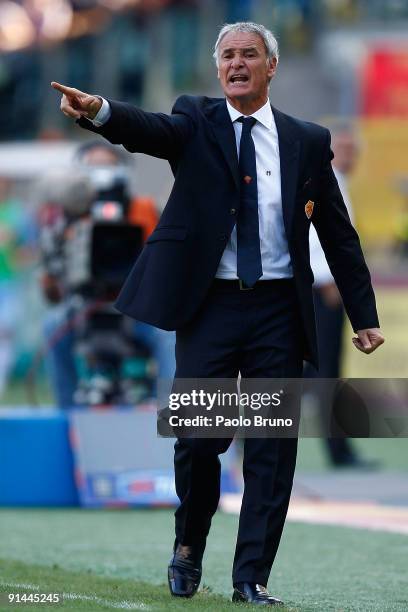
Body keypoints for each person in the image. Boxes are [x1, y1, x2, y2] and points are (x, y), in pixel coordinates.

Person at [52, 21, 384, 605]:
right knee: (202, 437)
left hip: (280, 309)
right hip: (211, 308)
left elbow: (338, 232)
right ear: (218, 68)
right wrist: (101, 111)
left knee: (270, 447)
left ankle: (250, 578)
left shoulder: (307, 139)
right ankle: (189, 544)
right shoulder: (197, 121)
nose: (236, 64)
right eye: (227, 55)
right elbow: (149, 130)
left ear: (271, 66)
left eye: (248, 55)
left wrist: (363, 314)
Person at [306, 120, 379, 468]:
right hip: (321, 292)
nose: (349, 155)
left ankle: (340, 450)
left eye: (353, 148)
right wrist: (328, 281)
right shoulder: (324, 183)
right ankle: (339, 451)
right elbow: (316, 241)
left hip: (324, 290)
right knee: (325, 375)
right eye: (343, 147)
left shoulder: (339, 184)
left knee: (312, 374)